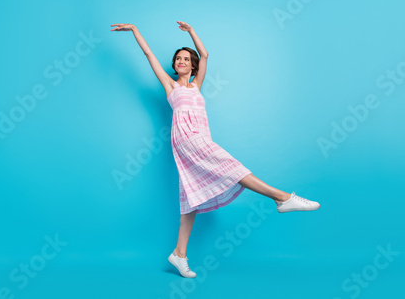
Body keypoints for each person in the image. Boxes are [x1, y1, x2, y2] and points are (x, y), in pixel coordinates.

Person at [110, 21, 320, 278]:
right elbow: (149, 55)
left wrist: (191, 32)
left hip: (201, 136)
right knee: (231, 167)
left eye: (186, 58)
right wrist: (134, 30)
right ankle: (282, 198)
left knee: (191, 197)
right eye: (178, 59)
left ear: (193, 64)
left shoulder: (197, 85)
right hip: (187, 139)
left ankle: (179, 254)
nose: (181, 61)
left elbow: (206, 54)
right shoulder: (170, 85)